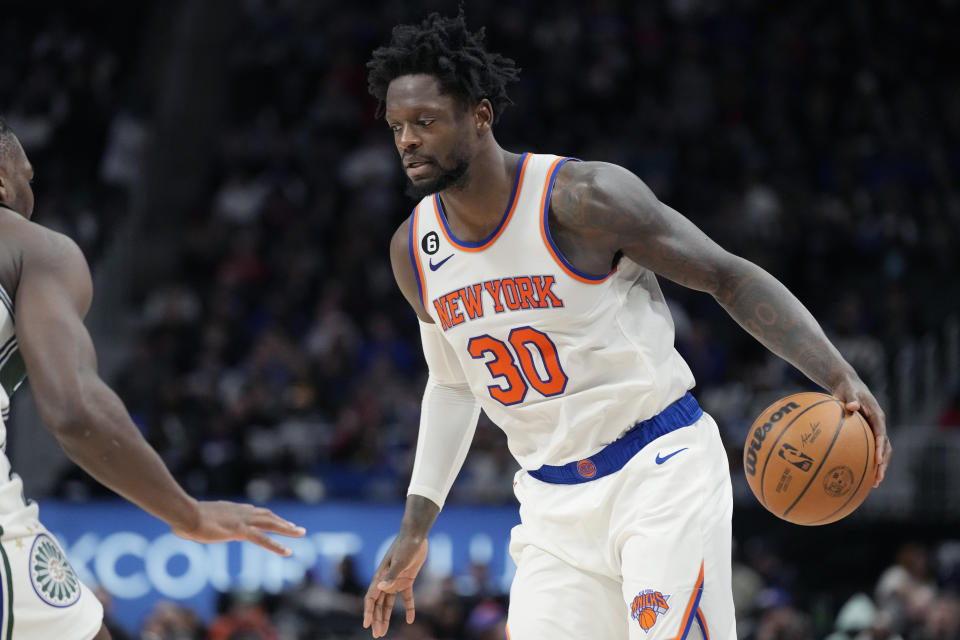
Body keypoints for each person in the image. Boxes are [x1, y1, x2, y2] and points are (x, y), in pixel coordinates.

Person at [361, 11, 893, 640]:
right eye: (397, 127)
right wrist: (416, 525)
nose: (407, 141)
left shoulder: (581, 199)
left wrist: (837, 373)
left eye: (425, 122)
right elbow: (452, 387)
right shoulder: (414, 249)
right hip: (551, 505)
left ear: (480, 116)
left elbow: (726, 275)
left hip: (657, 469)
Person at [0, 117, 306, 639]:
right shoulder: (32, 247)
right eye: (28, 176)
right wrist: (187, 514)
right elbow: (72, 408)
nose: (33, 192)